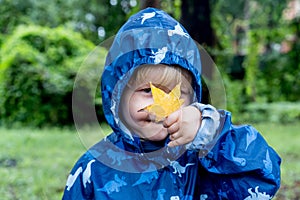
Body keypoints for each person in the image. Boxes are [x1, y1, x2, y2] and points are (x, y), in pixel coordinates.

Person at [62, 8, 281, 199]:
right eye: (147, 90)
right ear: (117, 98)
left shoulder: (201, 159)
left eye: (179, 94)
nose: (162, 105)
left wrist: (209, 133)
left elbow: (263, 177)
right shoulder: (94, 168)